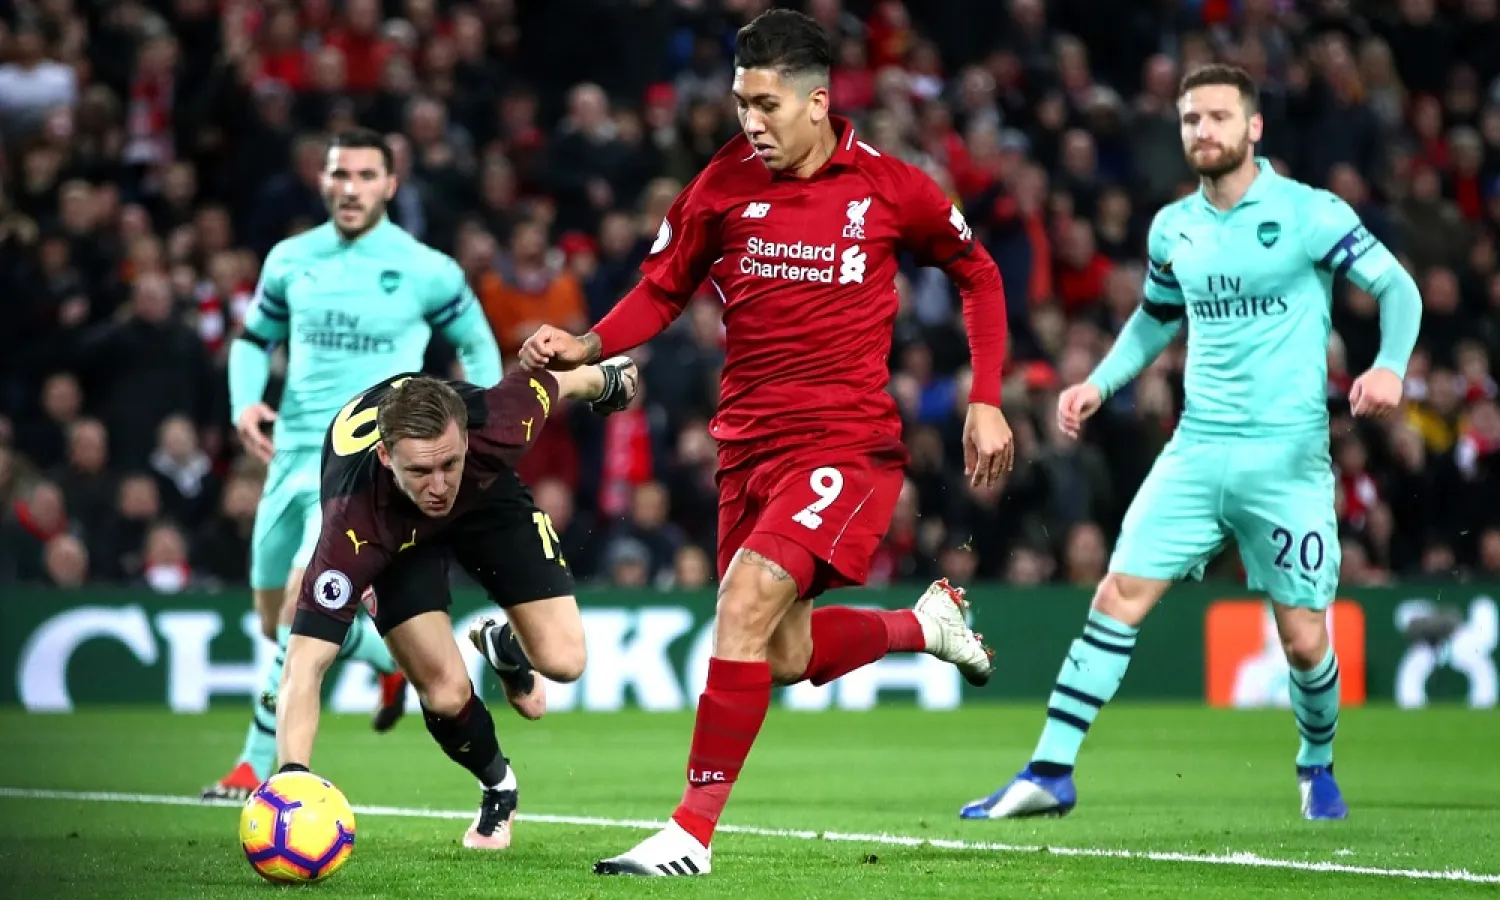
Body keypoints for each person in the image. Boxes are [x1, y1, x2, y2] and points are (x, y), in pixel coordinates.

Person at [521, 10, 1014, 877]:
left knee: (743, 603)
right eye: (740, 102)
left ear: (818, 102)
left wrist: (986, 400)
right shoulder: (721, 183)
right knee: (781, 653)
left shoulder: (893, 188)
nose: (750, 121)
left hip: (847, 443)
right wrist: (588, 343)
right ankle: (923, 625)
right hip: (747, 448)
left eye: (766, 104)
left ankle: (689, 833)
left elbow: (978, 271)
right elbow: (661, 288)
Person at [960, 64, 1422, 823]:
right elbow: (1154, 318)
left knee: (1305, 641)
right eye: (1190, 120)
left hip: (1287, 459)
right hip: (1197, 449)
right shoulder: (1173, 226)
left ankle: (1315, 764)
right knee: (1116, 596)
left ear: (1253, 127)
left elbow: (1398, 288)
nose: (1203, 132)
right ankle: (1050, 770)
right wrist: (1098, 384)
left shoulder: (1309, 213)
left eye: (1217, 117)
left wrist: (1389, 366)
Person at [202, 128, 504, 800]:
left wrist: (474, 431)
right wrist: (245, 403)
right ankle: (387, 663)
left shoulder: (426, 268)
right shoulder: (291, 259)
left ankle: (256, 764)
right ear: (323, 180)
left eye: (366, 176)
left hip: (362, 463)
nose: (350, 188)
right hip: (287, 458)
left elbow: (478, 348)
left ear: (390, 185)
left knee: (294, 606)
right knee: (269, 613)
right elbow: (254, 339)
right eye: (340, 174)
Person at [274, 359, 639, 849]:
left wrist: (609, 381)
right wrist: (291, 779)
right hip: (396, 537)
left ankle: (507, 647)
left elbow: (560, 380)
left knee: (566, 663)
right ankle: (499, 789)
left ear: (466, 439)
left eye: (448, 462)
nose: (439, 485)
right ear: (385, 456)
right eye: (421, 470)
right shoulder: (351, 530)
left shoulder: (499, 422)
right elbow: (304, 665)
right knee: (444, 693)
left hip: (486, 497)